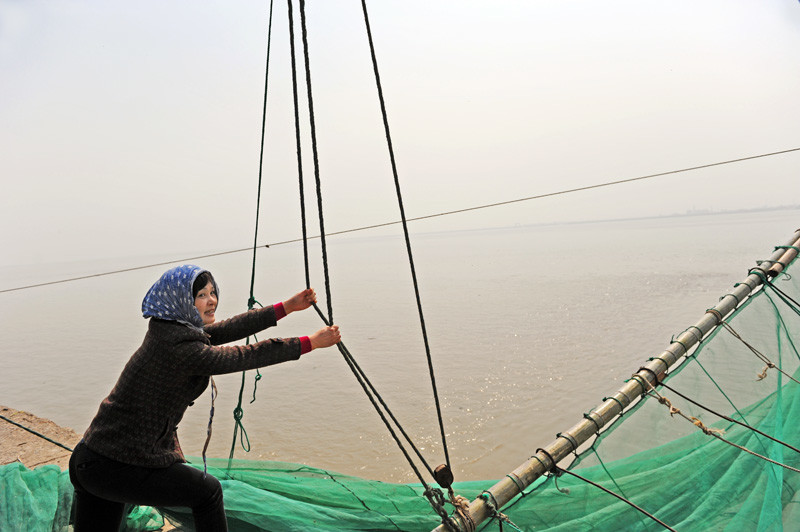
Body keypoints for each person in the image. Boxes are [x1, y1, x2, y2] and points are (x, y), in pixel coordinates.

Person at [68, 264, 340, 532]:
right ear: (182, 301)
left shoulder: (169, 329)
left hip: (93, 459)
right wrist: (310, 342)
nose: (212, 300)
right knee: (207, 492)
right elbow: (243, 356)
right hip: (115, 464)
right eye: (201, 295)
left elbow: (225, 330)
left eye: (213, 292)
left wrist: (287, 307)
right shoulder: (180, 348)